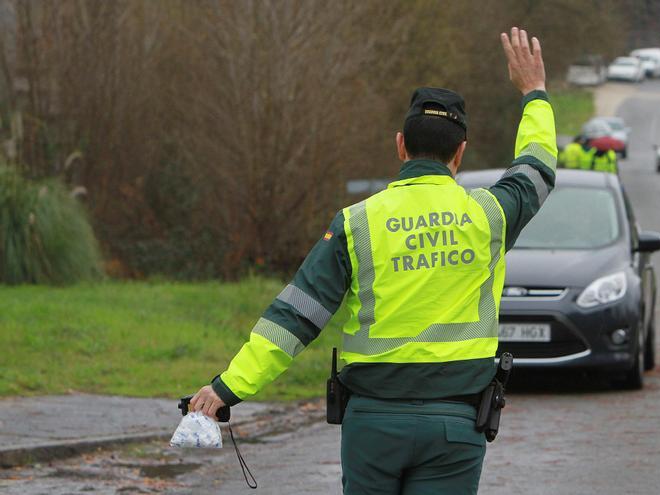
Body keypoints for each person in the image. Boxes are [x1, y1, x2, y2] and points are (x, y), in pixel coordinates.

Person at [187, 26, 557, 494]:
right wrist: (534, 94)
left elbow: (295, 318)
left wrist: (226, 388)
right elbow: (537, 168)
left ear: (400, 145)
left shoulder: (355, 223)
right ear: (459, 154)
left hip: (372, 425)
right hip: (456, 426)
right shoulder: (490, 215)